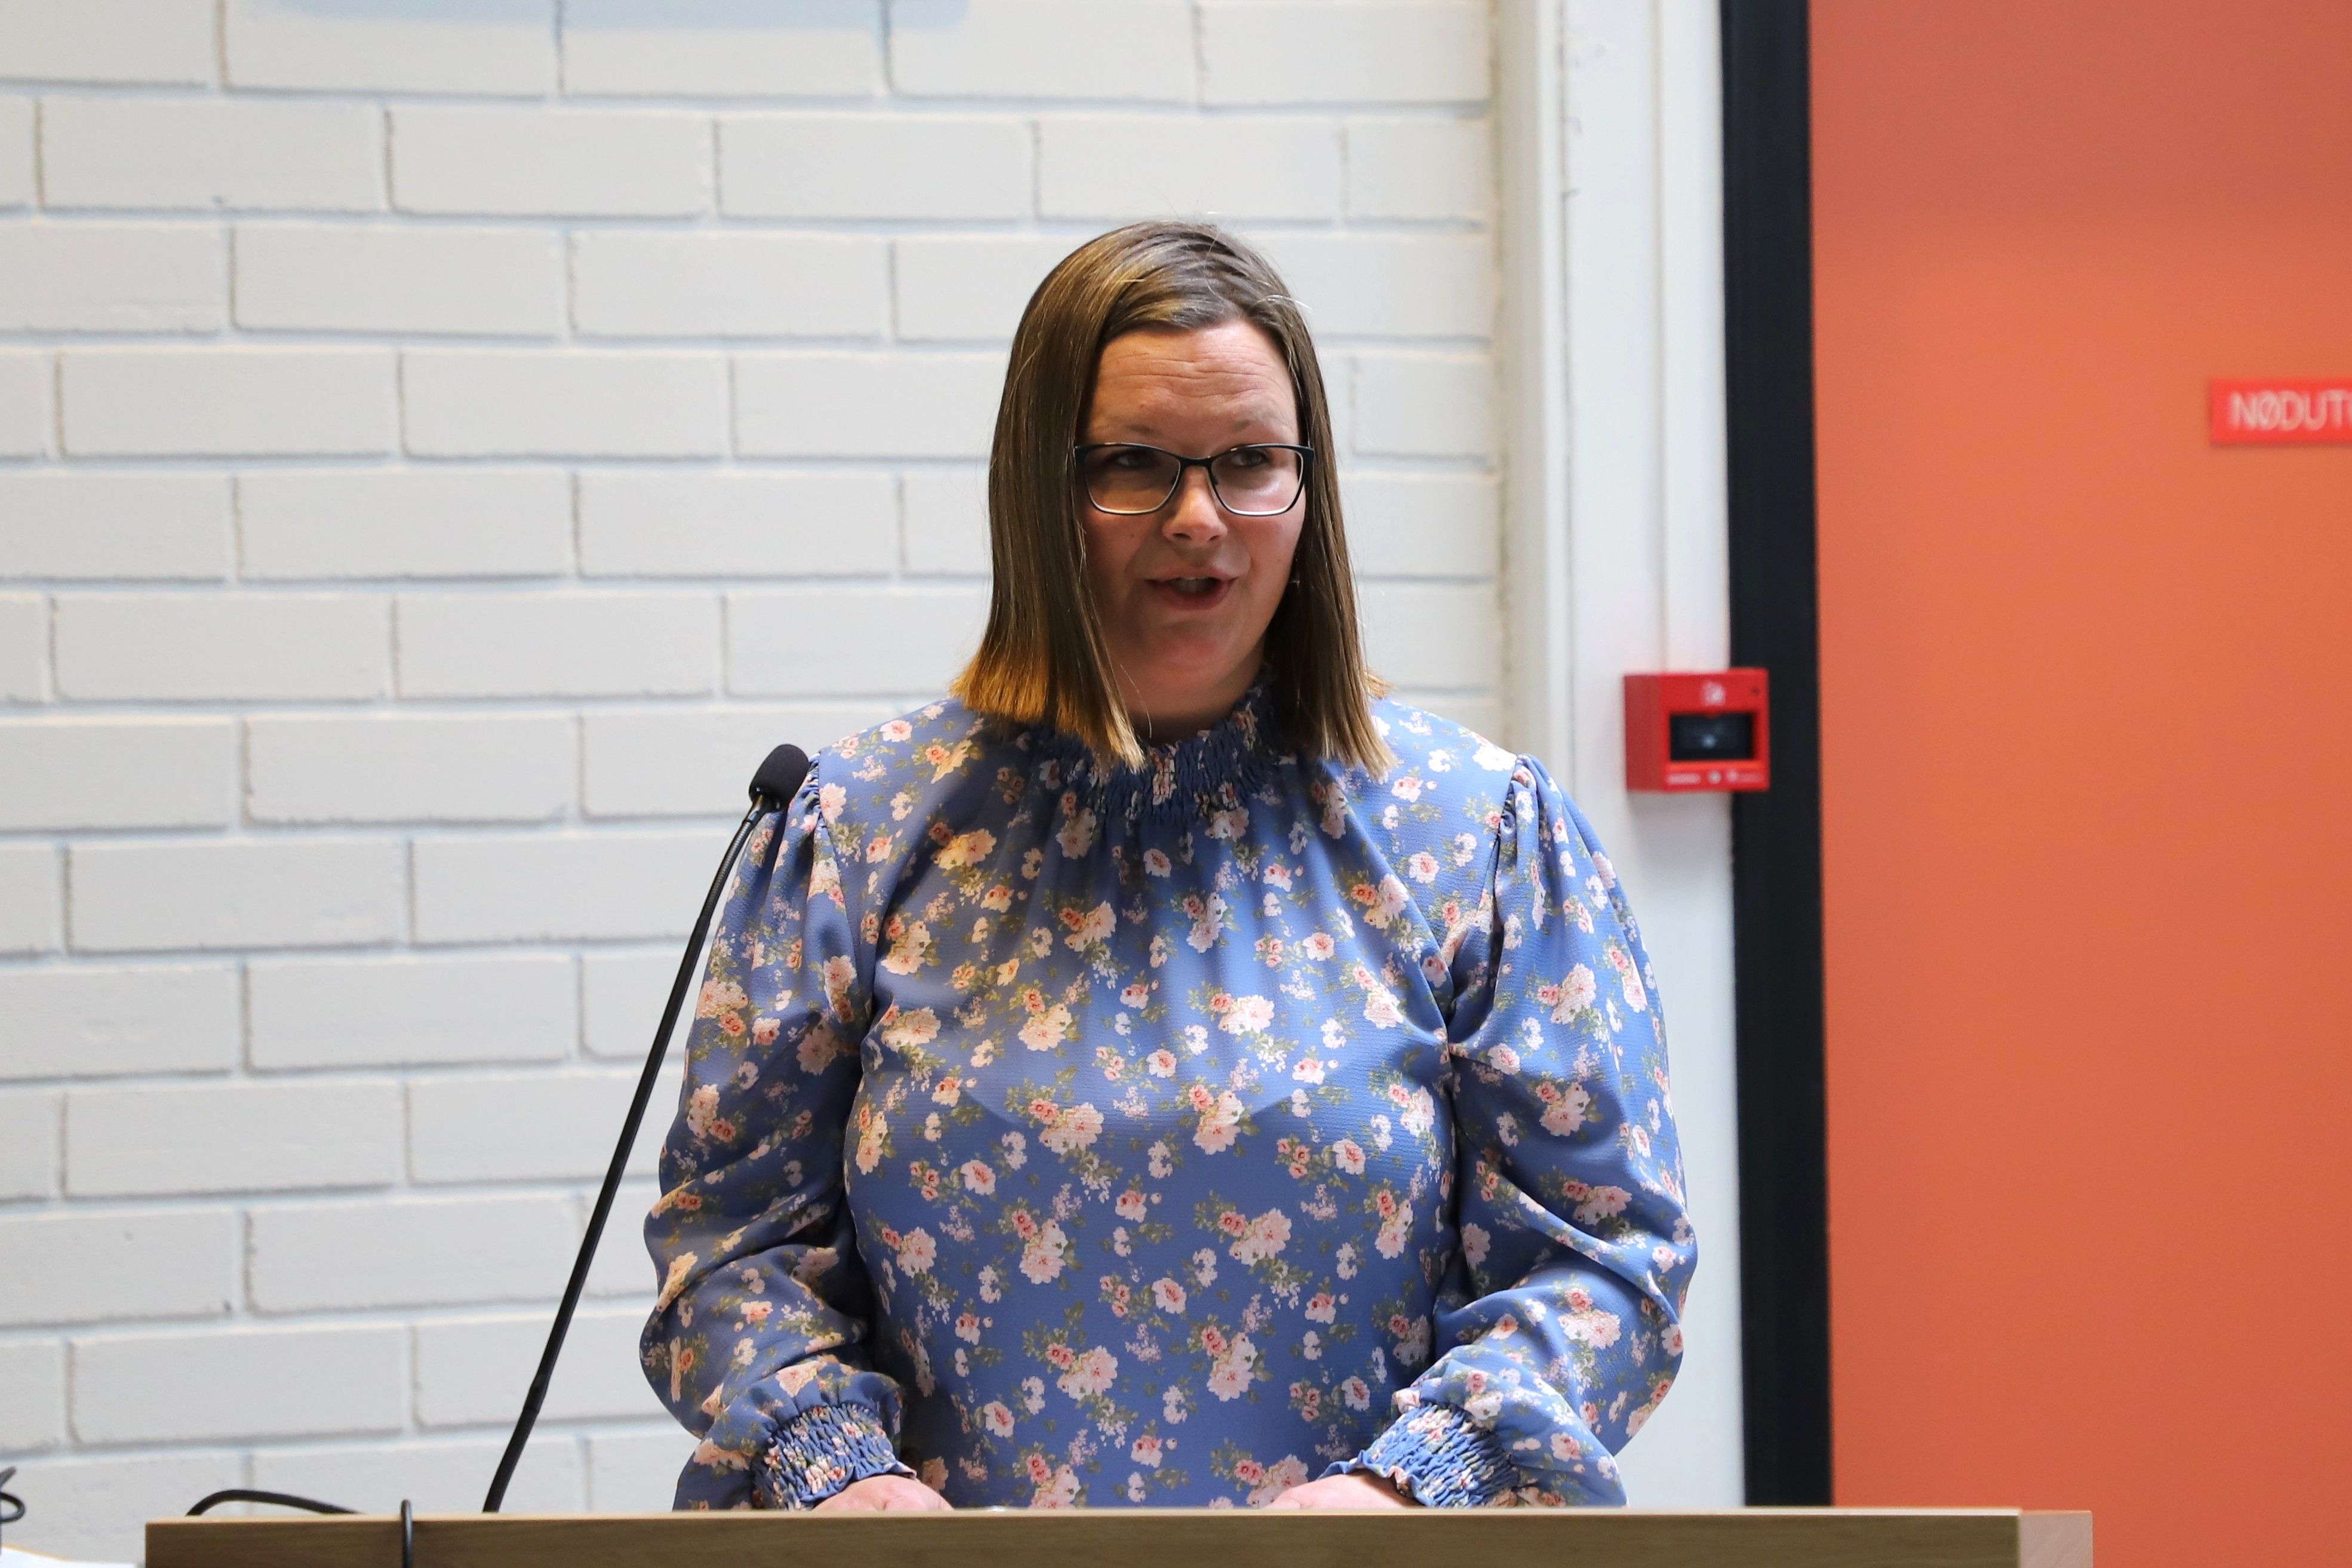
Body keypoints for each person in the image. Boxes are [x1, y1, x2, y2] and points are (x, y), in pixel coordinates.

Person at [641, 221, 1695, 1512]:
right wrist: (830, 1467)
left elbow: (1603, 1255)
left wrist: (1414, 1485)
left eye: (1249, 461)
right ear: (1038, 490)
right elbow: (731, 1238)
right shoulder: (857, 833)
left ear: (1307, 487)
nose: (1199, 519)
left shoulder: (1476, 837)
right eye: (1132, 464)